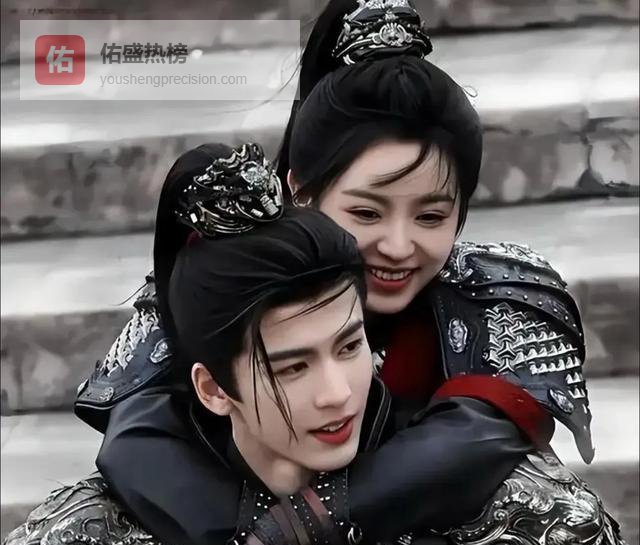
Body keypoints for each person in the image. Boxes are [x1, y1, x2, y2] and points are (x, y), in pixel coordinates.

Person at [54, 0, 624, 543]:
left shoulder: (498, 293)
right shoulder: (230, 282)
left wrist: (313, 519)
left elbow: (482, 433)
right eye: (366, 213)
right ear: (300, 192)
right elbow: (138, 435)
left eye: (431, 216)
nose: (397, 246)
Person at [4, 143, 533, 545]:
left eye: (349, 347)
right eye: (292, 368)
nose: (337, 394)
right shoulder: (90, 530)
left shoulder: (501, 505)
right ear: (213, 390)